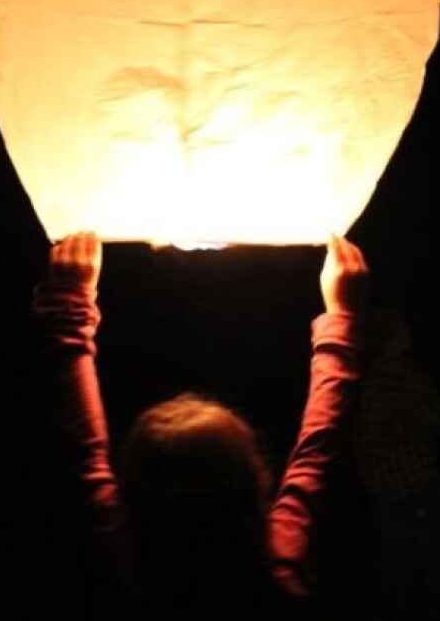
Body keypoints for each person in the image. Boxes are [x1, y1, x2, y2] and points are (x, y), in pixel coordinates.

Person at [31, 231, 370, 621]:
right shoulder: (280, 571)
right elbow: (319, 453)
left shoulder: (123, 575)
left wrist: (68, 305)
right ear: (251, 481)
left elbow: (81, 452)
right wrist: (344, 318)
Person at [350, 302, 440, 621]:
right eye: (403, 328)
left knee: (398, 566)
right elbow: (439, 420)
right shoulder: (404, 376)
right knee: (439, 562)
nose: (409, 332)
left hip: (379, 489)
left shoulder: (365, 378)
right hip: (415, 486)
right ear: (393, 338)